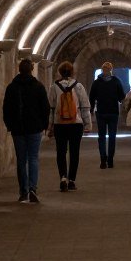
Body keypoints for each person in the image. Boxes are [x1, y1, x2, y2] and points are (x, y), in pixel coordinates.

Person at [1, 58, 50, 204]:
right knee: (33, 158)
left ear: (19, 70)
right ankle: (33, 188)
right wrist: (44, 125)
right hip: (34, 128)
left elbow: (6, 109)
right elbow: (45, 108)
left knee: (21, 160)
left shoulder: (12, 87)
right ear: (31, 69)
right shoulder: (38, 87)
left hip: (18, 129)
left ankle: (23, 191)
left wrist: (10, 125)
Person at [47, 61, 91, 192]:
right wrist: (87, 124)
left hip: (59, 124)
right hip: (75, 123)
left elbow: (51, 108)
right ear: (72, 72)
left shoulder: (54, 87)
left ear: (60, 72)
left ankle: (63, 177)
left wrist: (50, 127)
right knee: (74, 152)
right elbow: (85, 106)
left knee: (61, 152)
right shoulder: (79, 86)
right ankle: (72, 180)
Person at [88, 61, 126, 169]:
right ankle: (110, 160)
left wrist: (91, 109)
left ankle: (103, 159)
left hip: (101, 112)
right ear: (111, 70)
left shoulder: (97, 82)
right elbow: (121, 97)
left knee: (102, 137)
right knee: (112, 136)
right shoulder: (116, 81)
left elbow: (91, 97)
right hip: (113, 112)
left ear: (102, 70)